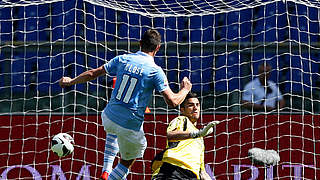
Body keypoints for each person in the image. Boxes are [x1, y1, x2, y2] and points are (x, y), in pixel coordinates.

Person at [59, 29, 192, 180]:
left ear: (140, 43)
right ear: (158, 48)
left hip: (108, 116)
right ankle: (109, 176)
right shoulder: (155, 71)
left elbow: (92, 73)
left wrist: (71, 81)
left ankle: (106, 169)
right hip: (129, 125)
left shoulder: (122, 59)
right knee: (128, 160)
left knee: (114, 130)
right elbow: (173, 102)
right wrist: (185, 90)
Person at [151, 92, 219, 180]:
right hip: (173, 170)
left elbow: (202, 172)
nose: (195, 108)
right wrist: (196, 134)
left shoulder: (200, 138)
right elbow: (170, 134)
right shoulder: (182, 120)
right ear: (182, 110)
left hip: (192, 176)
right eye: (191, 105)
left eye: (197, 105)